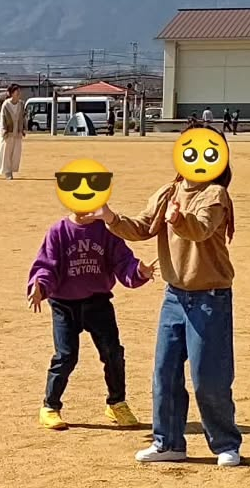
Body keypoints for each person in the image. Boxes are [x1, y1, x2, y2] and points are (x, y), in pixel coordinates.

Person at [101, 134, 242, 467]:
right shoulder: (168, 192)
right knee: (164, 373)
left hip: (210, 298)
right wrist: (109, 217)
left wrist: (180, 220)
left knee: (209, 377)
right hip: (174, 297)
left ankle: (225, 443)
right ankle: (168, 443)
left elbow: (201, 229)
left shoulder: (216, 195)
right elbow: (141, 226)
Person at [28, 179, 155, 432]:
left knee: (113, 353)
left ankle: (116, 403)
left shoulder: (107, 231)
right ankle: (50, 406)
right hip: (64, 305)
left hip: (98, 303)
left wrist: (139, 271)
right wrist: (40, 286)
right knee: (66, 356)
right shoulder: (58, 231)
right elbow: (47, 265)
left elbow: (123, 262)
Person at [0, 83, 26, 179]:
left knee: (15, 153)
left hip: (17, 133)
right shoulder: (6, 104)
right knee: (6, 153)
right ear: (12, 93)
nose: (19, 93)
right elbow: (3, 118)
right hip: (8, 133)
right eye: (17, 91)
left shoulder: (21, 104)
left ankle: (11, 169)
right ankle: (7, 172)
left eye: (19, 91)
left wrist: (23, 129)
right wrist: (4, 131)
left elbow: (23, 117)